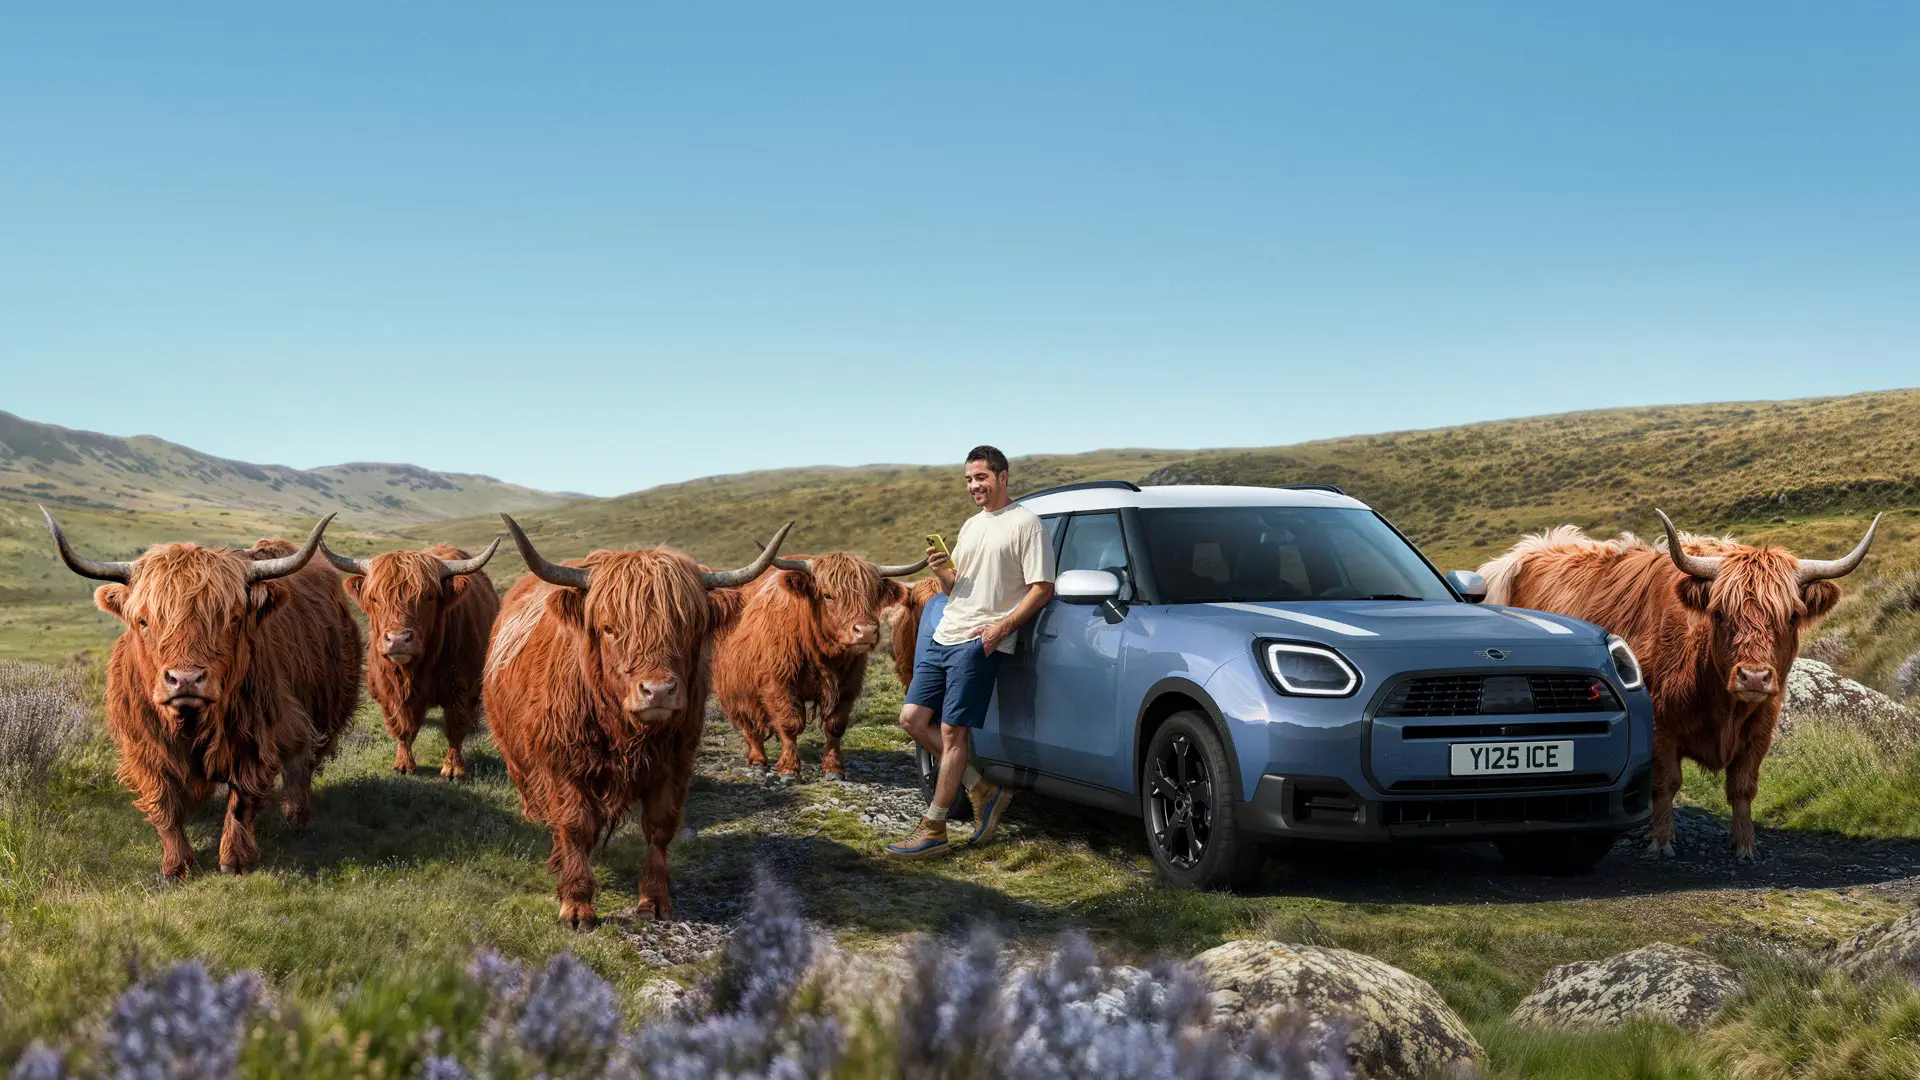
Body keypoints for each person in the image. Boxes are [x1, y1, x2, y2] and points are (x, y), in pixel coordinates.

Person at [886, 445, 1055, 859]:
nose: (973, 486)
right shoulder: (970, 526)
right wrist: (942, 569)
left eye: (980, 477)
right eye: (968, 479)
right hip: (947, 633)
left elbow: (1042, 588)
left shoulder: (1026, 524)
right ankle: (983, 788)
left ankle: (934, 826)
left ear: (1003, 476)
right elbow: (955, 587)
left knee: (952, 731)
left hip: (981, 639)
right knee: (911, 718)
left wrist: (1002, 628)